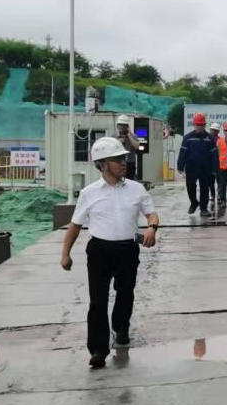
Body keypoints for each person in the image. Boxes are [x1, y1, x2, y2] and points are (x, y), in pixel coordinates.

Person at [60, 137, 159, 369]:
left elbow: (151, 214)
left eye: (123, 158)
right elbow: (75, 225)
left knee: (125, 293)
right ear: (103, 165)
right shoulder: (89, 193)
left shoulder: (136, 189)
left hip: (127, 250)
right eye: (117, 160)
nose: (124, 163)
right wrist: (65, 254)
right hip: (99, 251)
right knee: (98, 300)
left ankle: (121, 327)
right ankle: (98, 349)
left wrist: (152, 228)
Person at [177, 113, 217, 216]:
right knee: (190, 186)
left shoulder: (210, 138)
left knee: (205, 188)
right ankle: (194, 203)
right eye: (197, 125)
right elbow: (183, 152)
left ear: (204, 125)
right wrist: (180, 165)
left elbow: (214, 154)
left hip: (205, 167)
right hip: (191, 167)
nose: (199, 127)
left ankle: (203, 209)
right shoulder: (188, 138)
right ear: (194, 125)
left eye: (201, 125)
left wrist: (215, 168)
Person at [114, 114, 141, 181]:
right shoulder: (114, 137)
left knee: (130, 182)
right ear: (117, 126)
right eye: (120, 125)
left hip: (130, 164)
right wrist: (118, 142)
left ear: (127, 126)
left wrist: (129, 135)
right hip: (118, 163)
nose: (122, 127)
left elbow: (137, 147)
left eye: (124, 125)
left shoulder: (133, 136)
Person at [216, 122, 227, 212]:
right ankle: (223, 200)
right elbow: (217, 153)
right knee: (222, 184)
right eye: (226, 130)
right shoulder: (219, 141)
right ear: (224, 131)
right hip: (222, 166)